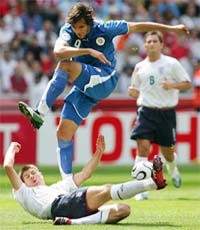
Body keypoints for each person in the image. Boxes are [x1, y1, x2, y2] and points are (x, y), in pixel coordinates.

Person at [18, 3, 190, 178]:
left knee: (65, 66)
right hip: (85, 88)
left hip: (105, 79)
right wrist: (89, 51)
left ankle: (40, 111)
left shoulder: (105, 28)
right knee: (63, 132)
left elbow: (138, 26)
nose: (78, 31)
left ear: (90, 24)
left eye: (82, 27)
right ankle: (68, 185)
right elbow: (58, 51)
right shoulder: (68, 30)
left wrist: (172, 29)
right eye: (75, 27)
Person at [3, 134, 166, 225]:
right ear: (22, 183)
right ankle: (152, 183)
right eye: (27, 176)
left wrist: (98, 153)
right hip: (60, 205)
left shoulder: (57, 188)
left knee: (123, 209)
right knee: (107, 190)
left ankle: (72, 223)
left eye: (34, 172)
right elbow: (8, 167)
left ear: (41, 175)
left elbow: (85, 174)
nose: (32, 176)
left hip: (65, 208)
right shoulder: (24, 193)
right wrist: (12, 147)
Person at [128, 31, 191, 200]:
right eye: (148, 41)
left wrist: (172, 85)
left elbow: (186, 84)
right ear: (145, 45)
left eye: (155, 41)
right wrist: (133, 92)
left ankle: (173, 169)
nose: (151, 43)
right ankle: (140, 188)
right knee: (142, 147)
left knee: (168, 153)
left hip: (166, 112)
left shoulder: (171, 63)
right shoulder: (140, 67)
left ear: (162, 45)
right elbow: (134, 90)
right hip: (146, 111)